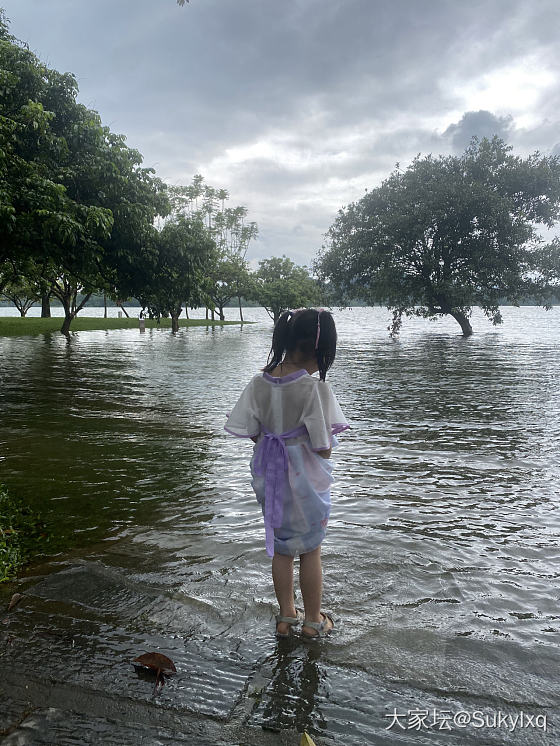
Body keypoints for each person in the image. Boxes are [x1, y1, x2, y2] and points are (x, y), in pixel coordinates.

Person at [225, 308, 349, 639]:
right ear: (317, 349)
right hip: (304, 480)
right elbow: (323, 446)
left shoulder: (258, 382)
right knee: (311, 549)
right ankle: (312, 621)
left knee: (281, 549)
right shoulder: (313, 389)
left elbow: (252, 431)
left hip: (269, 474)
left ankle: (285, 618)